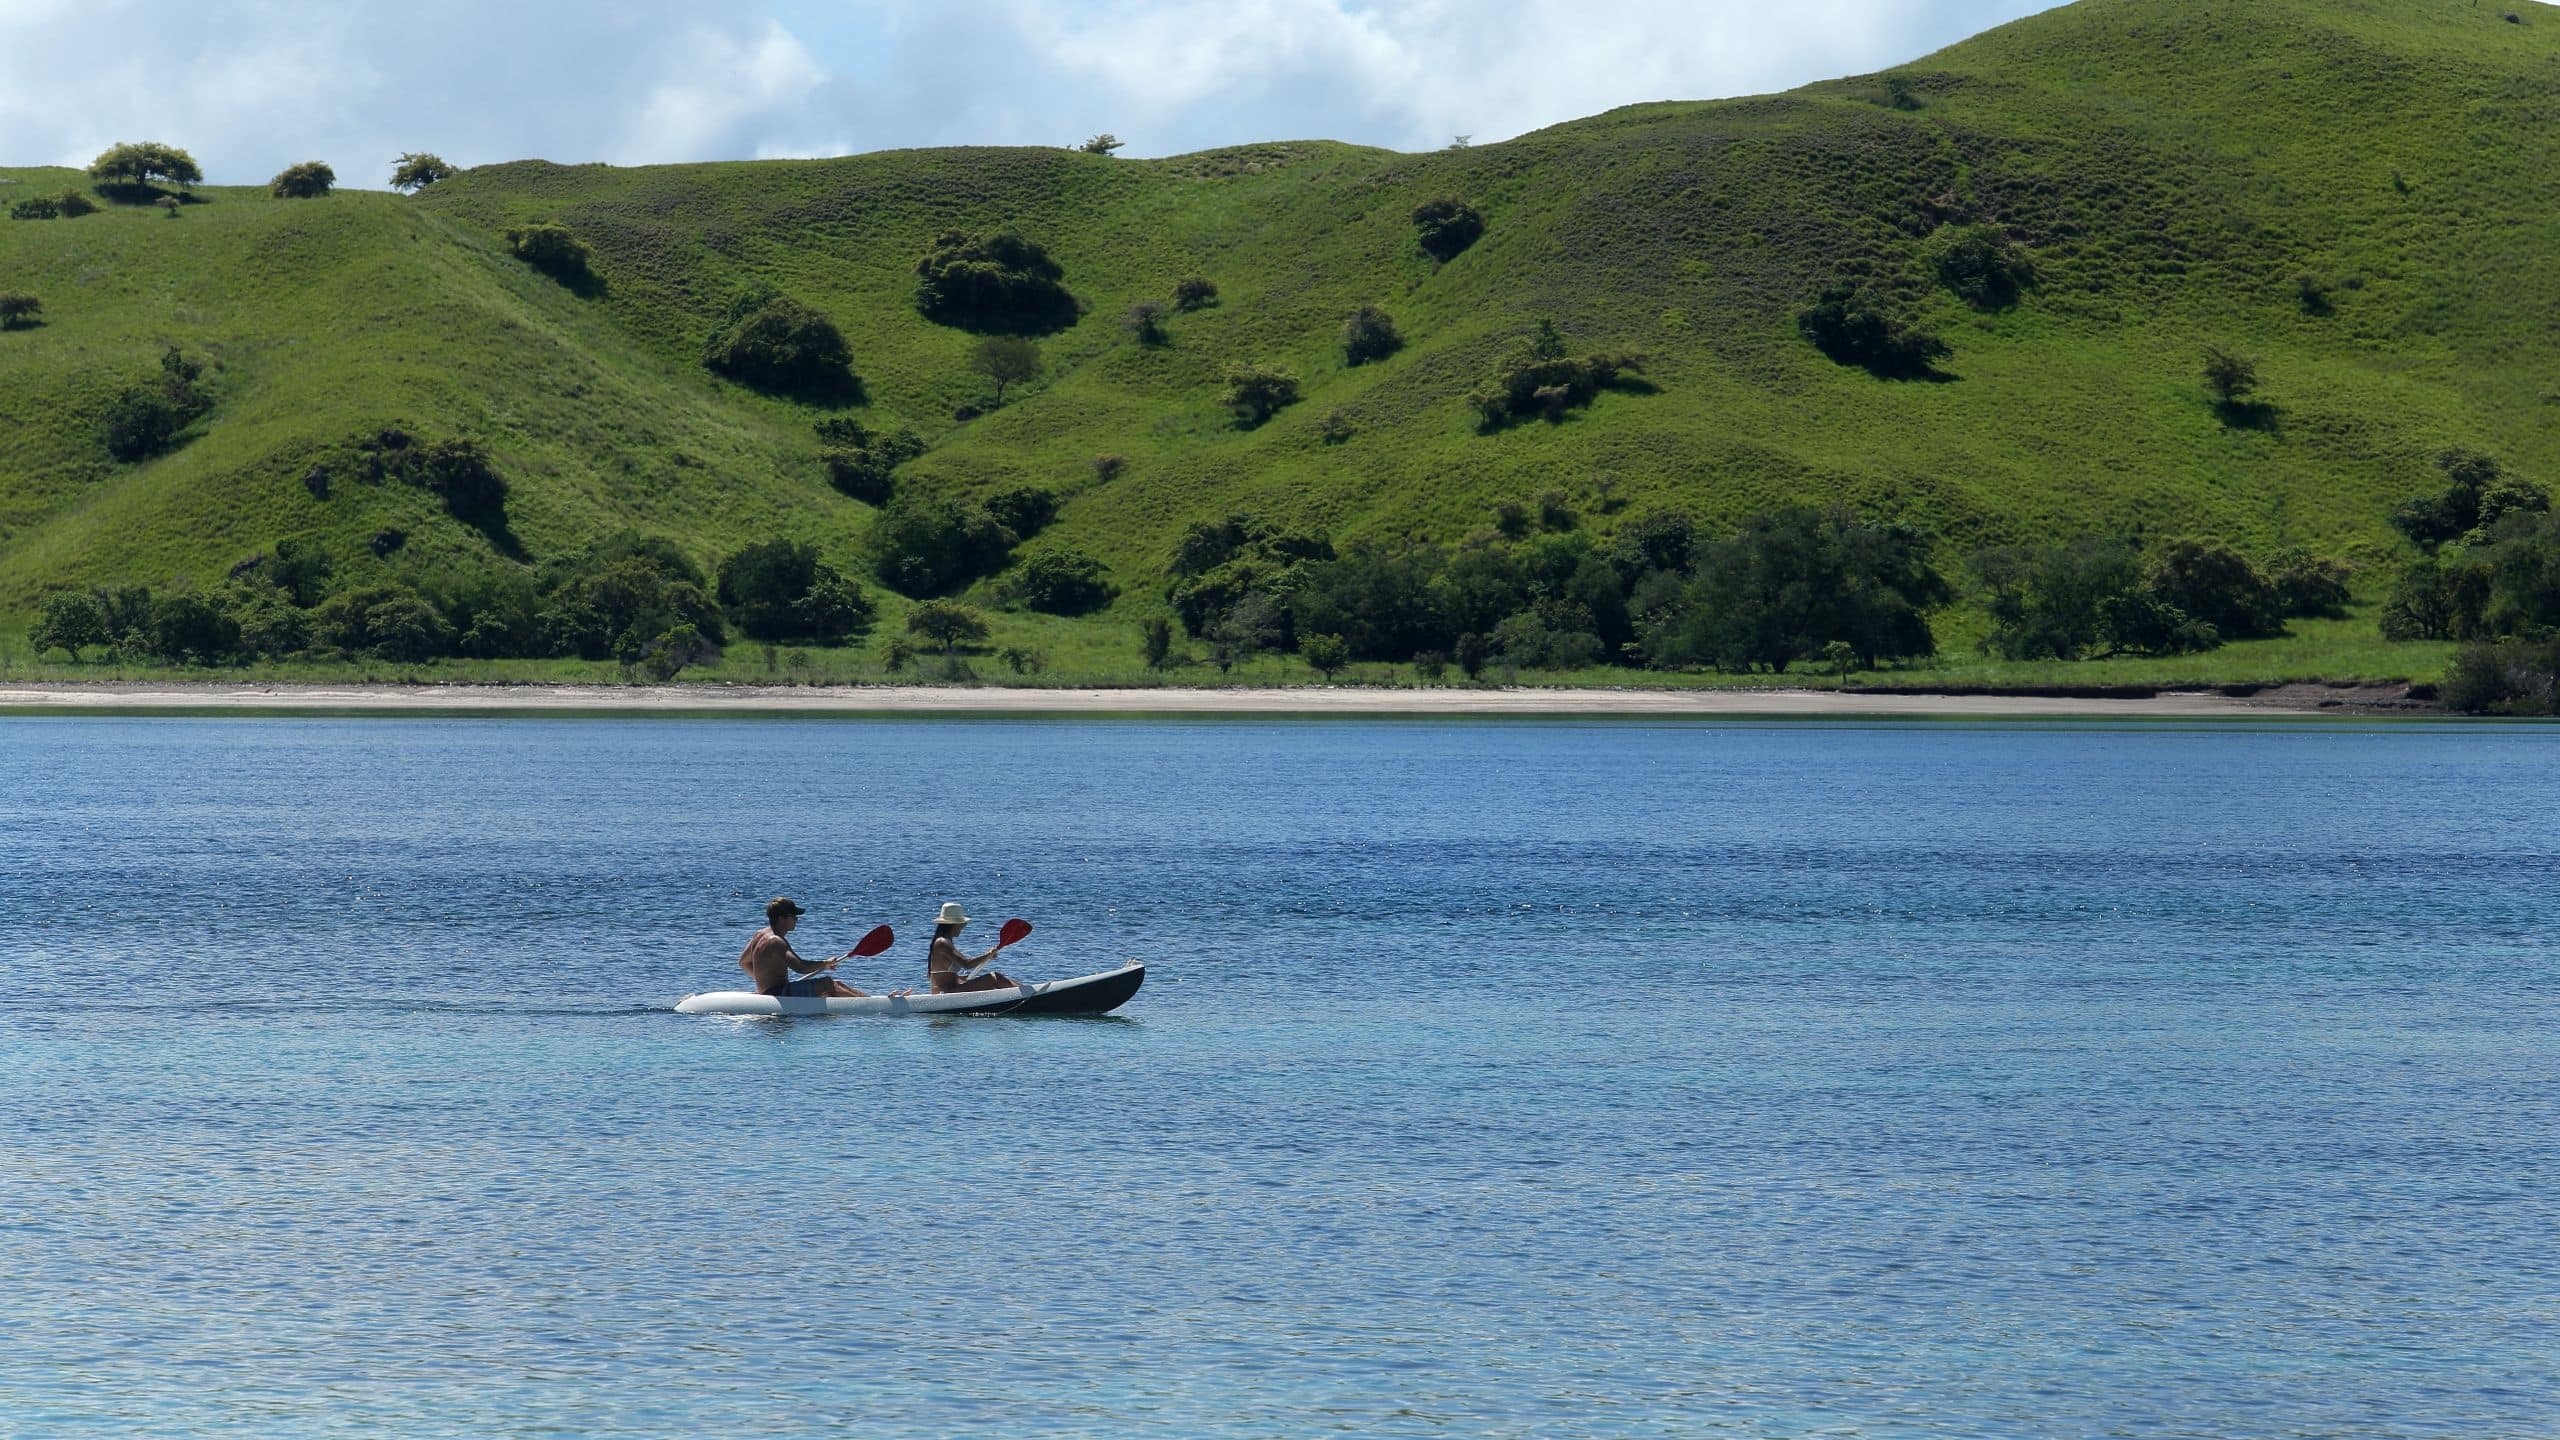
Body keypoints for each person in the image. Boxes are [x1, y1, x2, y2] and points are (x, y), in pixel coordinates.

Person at [740, 897, 872, 998]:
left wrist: (763, 981)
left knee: (837, 984)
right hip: (778, 993)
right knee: (828, 983)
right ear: (781, 919)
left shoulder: (759, 934)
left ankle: (867, 1000)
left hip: (770, 992)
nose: (796, 920)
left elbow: (743, 962)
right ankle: (872, 1005)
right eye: (794, 917)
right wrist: (825, 963)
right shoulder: (776, 941)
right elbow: (800, 967)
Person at [925, 903, 1017, 993]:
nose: (962, 928)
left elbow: (948, 977)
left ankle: (1024, 993)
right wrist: (988, 954)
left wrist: (968, 978)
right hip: (946, 994)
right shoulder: (942, 942)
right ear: (954, 924)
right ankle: (1026, 995)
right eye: (962, 924)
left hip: (950, 990)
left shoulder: (944, 941)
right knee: (994, 977)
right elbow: (966, 964)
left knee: (986, 980)